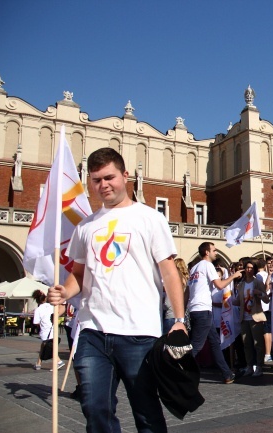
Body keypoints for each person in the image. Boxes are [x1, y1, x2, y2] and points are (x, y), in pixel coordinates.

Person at [47, 147, 187, 432]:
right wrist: (65, 293)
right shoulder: (85, 227)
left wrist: (180, 321)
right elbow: (78, 274)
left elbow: (169, 272)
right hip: (92, 331)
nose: (103, 185)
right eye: (96, 180)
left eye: (109, 177)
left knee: (146, 412)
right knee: (94, 408)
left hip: (139, 333)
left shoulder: (150, 218)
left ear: (125, 176)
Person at [187, 242, 241, 358]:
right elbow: (220, 285)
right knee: (197, 345)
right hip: (203, 309)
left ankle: (227, 372)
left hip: (196, 309)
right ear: (207, 252)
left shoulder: (194, 268)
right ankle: (180, 366)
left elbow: (187, 291)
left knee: (215, 343)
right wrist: (233, 276)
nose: (216, 253)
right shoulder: (207, 265)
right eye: (214, 250)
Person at [232, 259, 269, 377]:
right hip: (244, 317)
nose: (248, 270)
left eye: (251, 268)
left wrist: (260, 293)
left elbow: (266, 299)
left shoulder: (257, 282)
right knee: (246, 343)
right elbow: (238, 301)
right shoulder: (241, 284)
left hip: (256, 316)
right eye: (247, 268)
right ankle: (249, 366)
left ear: (254, 270)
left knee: (258, 344)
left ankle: (259, 366)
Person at [32, 289, 64, 371]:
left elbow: (36, 322)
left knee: (49, 348)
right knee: (45, 347)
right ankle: (38, 363)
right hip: (53, 329)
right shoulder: (52, 306)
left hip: (45, 331)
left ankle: (59, 361)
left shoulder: (38, 309)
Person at [163, 257, 189, 334]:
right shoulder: (186, 281)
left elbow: (167, 303)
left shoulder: (173, 279)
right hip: (181, 316)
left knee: (165, 342)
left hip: (170, 315)